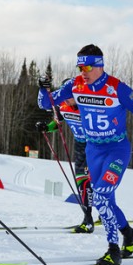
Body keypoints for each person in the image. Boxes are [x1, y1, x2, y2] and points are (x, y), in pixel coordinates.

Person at [38, 44, 133, 265]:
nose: (83, 71)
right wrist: (43, 88)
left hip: (116, 150)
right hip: (93, 150)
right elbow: (45, 103)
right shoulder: (75, 85)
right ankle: (128, 233)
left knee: (100, 196)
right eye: (79, 66)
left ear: (99, 65)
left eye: (87, 66)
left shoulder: (116, 88)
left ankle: (113, 250)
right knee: (105, 201)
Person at [35, 97, 95, 233]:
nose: (66, 99)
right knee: (82, 181)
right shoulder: (62, 106)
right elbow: (57, 123)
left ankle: (95, 217)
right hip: (80, 146)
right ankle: (88, 219)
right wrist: (46, 127)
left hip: (95, 146)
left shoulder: (87, 106)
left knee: (95, 183)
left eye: (69, 95)